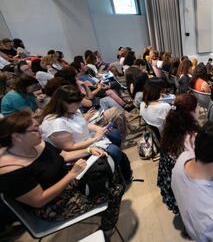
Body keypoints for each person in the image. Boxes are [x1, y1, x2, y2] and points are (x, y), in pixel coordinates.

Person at [0, 110, 125, 238]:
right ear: (17, 136)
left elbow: (63, 155)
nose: (41, 132)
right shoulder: (10, 170)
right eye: (35, 129)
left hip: (68, 183)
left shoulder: (36, 144)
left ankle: (100, 210)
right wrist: (71, 175)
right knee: (116, 190)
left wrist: (88, 150)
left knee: (111, 173)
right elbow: (39, 200)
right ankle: (106, 230)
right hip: (54, 205)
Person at [38, 85, 132, 180]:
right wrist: (95, 138)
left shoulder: (71, 111)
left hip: (88, 140)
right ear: (64, 104)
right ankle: (117, 173)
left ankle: (115, 167)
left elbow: (83, 123)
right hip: (78, 150)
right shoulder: (55, 123)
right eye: (77, 103)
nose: (79, 105)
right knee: (115, 150)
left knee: (114, 134)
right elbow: (69, 148)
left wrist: (97, 129)